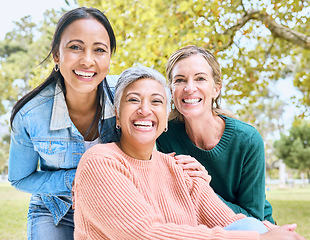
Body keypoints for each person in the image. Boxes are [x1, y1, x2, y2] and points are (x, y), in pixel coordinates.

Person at [73, 66, 305, 240]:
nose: (145, 110)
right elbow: (146, 234)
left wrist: (272, 231)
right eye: (133, 100)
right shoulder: (100, 162)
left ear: (165, 119)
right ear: (118, 115)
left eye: (156, 102)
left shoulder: (179, 168)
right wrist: (258, 238)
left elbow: (230, 221)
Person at [8, 7, 120, 240]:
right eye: (75, 47)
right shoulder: (30, 115)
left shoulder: (126, 96)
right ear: (57, 55)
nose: (87, 60)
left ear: (109, 58)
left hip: (112, 206)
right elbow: (20, 178)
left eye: (99, 50)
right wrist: (77, 179)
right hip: (55, 209)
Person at [156, 45, 275, 223]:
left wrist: (204, 190)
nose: (189, 88)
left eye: (200, 79)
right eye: (180, 80)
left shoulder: (247, 140)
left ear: (216, 89)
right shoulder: (162, 135)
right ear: (171, 90)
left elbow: (253, 220)